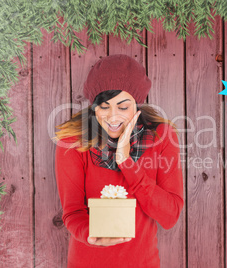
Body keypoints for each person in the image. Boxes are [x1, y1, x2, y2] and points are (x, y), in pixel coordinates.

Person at [54, 54, 184, 267]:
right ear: (94, 106)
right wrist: (92, 235)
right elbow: (73, 212)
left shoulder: (161, 136)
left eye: (123, 107)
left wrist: (126, 162)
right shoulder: (73, 141)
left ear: (137, 105)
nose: (113, 117)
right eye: (104, 107)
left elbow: (169, 216)